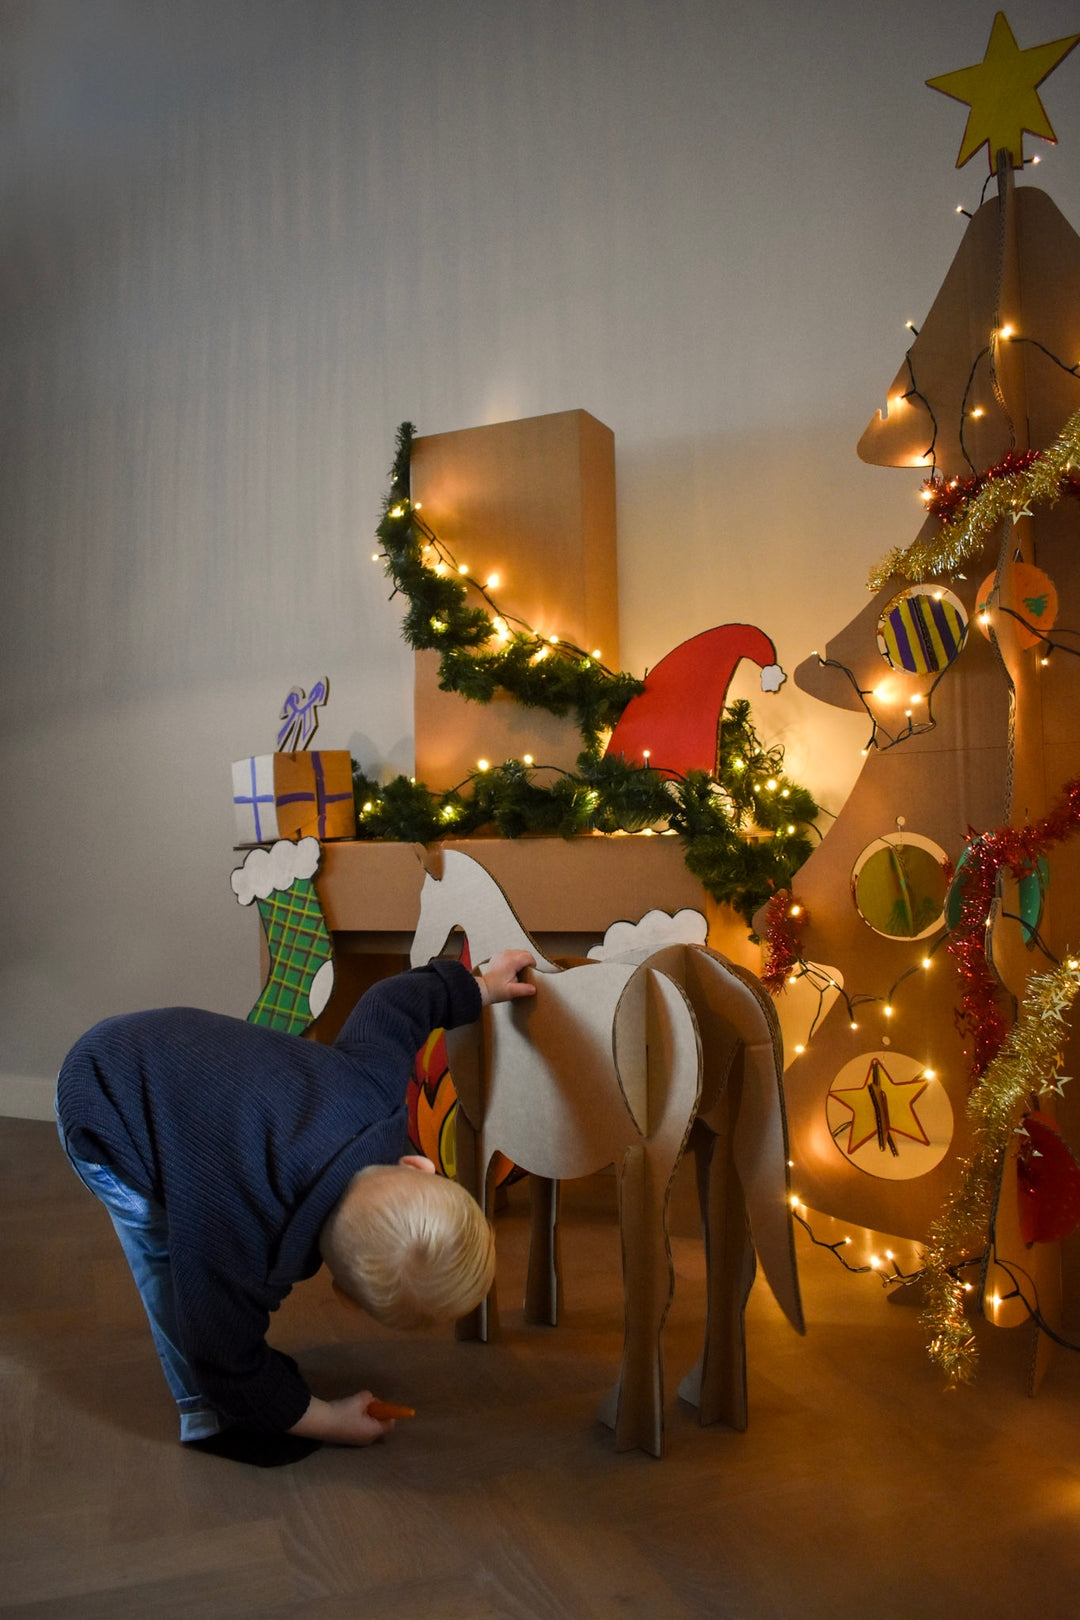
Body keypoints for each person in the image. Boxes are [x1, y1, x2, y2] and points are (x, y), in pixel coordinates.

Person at [55, 948, 536, 1465]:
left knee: (204, 1270)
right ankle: (203, 1417)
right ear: (344, 1296)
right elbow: (224, 1359)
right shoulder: (238, 1244)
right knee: (171, 1265)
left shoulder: (374, 1086)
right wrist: (325, 1419)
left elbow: (393, 1002)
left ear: (419, 1167)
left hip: (162, 1048)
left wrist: (480, 985)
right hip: (104, 1108)